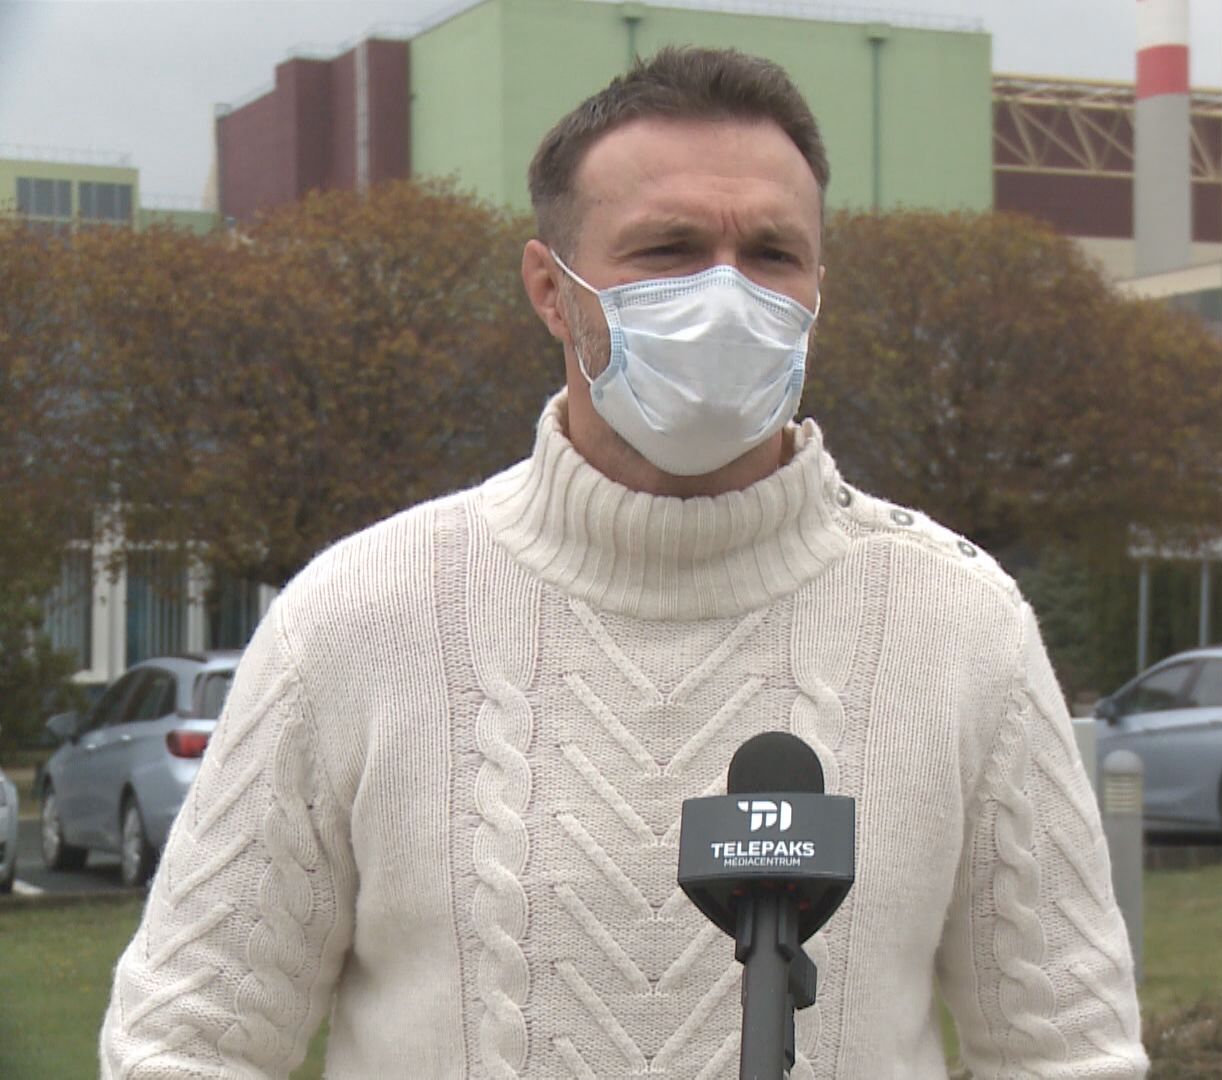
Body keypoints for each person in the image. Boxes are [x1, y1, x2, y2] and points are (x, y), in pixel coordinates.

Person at [102, 47, 1146, 1078]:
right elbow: (184, 1040)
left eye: (772, 254)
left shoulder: (962, 625)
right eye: (669, 249)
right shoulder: (356, 617)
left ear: (819, 287)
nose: (726, 293)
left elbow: (1069, 1051)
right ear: (551, 290)